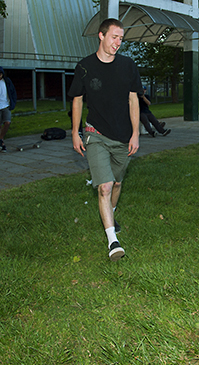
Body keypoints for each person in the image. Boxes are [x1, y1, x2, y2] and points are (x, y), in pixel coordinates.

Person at [68, 18, 143, 261]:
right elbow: (77, 99)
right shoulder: (85, 67)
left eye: (121, 38)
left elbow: (134, 100)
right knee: (105, 186)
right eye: (114, 37)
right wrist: (75, 131)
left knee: (117, 183)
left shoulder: (129, 66)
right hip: (95, 133)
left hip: (122, 136)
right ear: (101, 36)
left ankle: (109, 213)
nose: (118, 42)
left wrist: (135, 133)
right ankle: (113, 241)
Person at [0, 67, 17, 153]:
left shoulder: (6, 81)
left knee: (7, 122)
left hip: (6, 105)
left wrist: (13, 102)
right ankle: (1, 143)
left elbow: (12, 91)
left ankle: (0, 138)